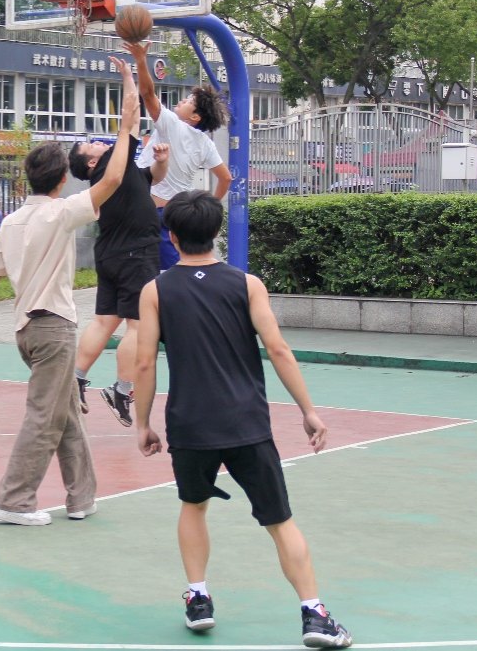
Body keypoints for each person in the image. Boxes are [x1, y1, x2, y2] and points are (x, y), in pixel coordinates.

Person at [132, 190, 352, 648]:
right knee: (280, 520)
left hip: (189, 423)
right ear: (217, 233)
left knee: (193, 505)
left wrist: (142, 423)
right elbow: (278, 349)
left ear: (172, 237)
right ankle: (314, 615)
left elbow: (145, 362)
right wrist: (308, 411)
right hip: (246, 422)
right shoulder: (247, 284)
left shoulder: (155, 291)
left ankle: (198, 600)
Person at [0, 57, 139, 526]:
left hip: (25, 331)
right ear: (63, 180)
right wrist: (125, 128)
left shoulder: (11, 221)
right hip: (53, 330)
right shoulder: (61, 213)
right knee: (44, 416)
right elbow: (114, 178)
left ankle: (82, 498)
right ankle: (13, 500)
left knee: (65, 413)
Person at [66, 97, 170, 427]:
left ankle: (75, 379)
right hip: (135, 253)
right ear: (93, 162)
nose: (99, 142)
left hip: (112, 254)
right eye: (92, 146)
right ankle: (122, 390)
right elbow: (130, 120)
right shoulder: (112, 162)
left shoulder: (120, 172)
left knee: (104, 322)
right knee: (137, 325)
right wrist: (129, 77)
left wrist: (162, 161)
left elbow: (152, 177)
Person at [123, 39, 233, 271]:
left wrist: (141, 61)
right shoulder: (205, 142)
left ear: (195, 117)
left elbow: (147, 93)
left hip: (156, 212)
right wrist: (210, 209)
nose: (183, 100)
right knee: (179, 271)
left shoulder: (173, 124)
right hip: (178, 212)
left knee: (160, 274)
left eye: (189, 101)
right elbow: (226, 178)